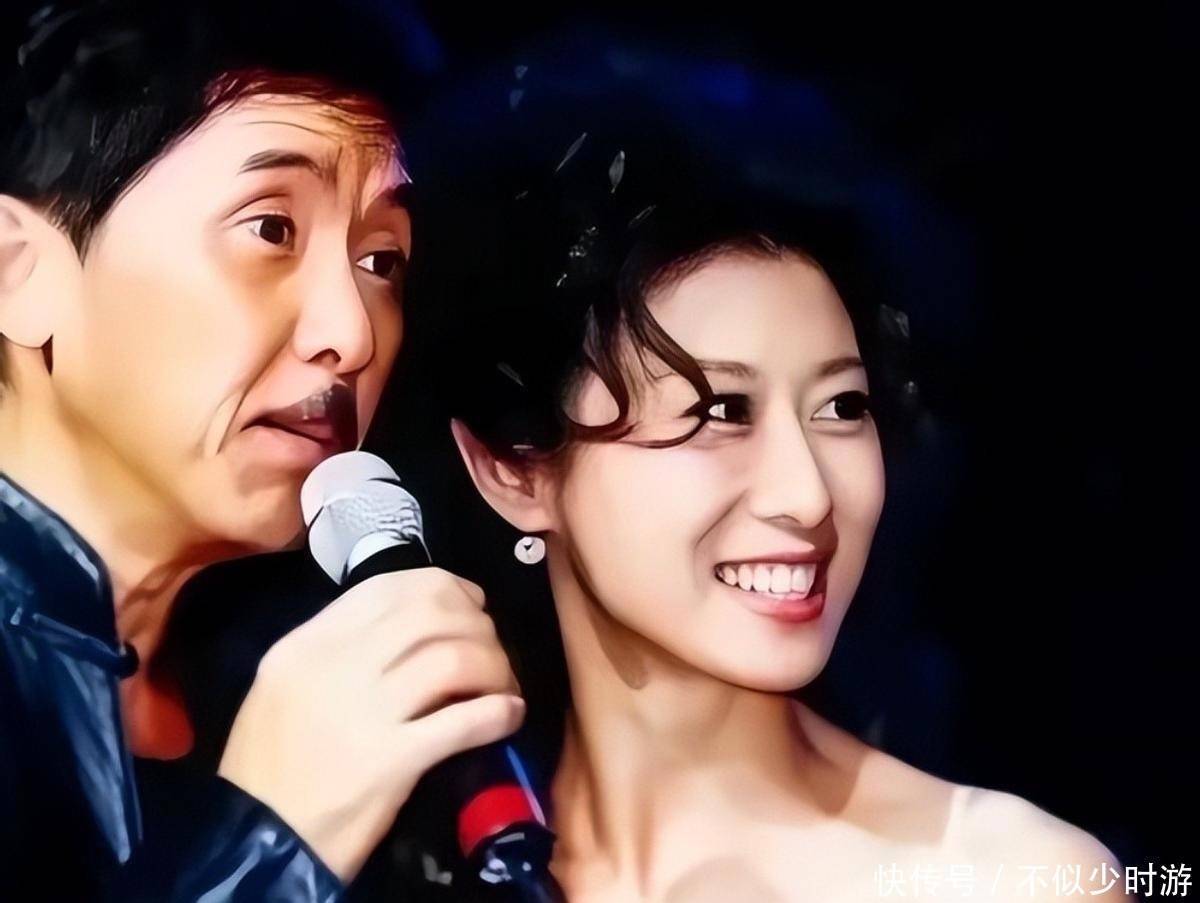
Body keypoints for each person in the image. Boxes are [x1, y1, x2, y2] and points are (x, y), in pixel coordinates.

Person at [442, 130, 1132, 901]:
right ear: (514, 470)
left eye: (842, 407)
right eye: (721, 411)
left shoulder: (1006, 878)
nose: (809, 495)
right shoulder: (416, 856)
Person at [0, 1, 522, 898]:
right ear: (18, 274)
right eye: (271, 229)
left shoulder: (292, 673)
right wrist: (276, 842)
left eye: (381, 260)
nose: (351, 334)